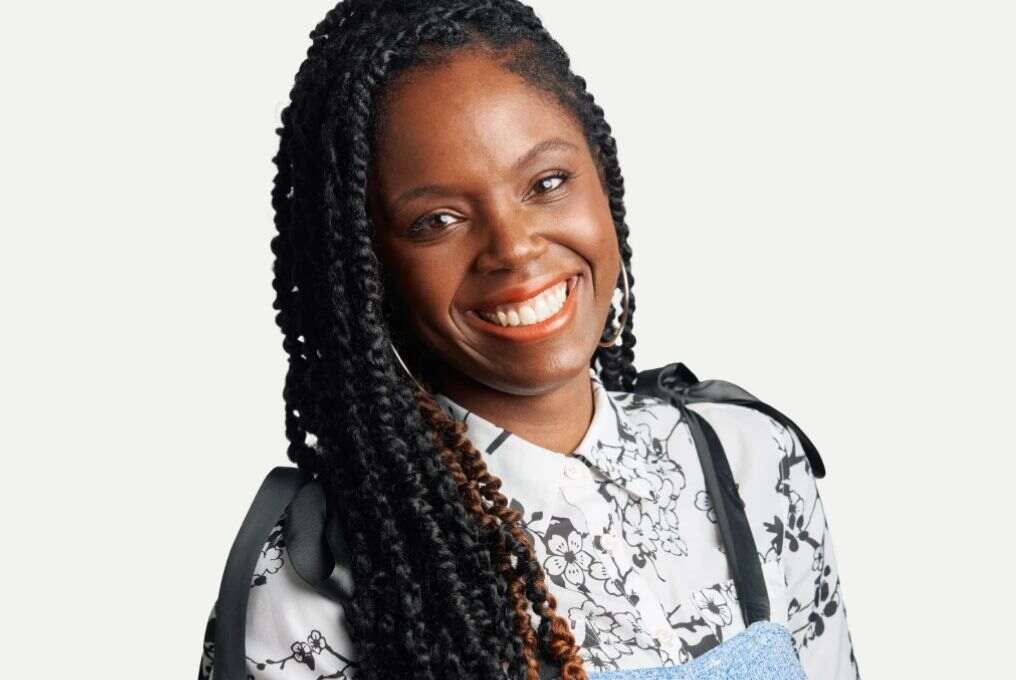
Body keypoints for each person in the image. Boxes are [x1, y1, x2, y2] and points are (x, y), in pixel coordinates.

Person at [196, 1, 861, 679]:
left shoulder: (750, 459)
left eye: (546, 182)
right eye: (439, 220)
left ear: (601, 172)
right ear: (365, 265)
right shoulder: (316, 575)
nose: (513, 249)